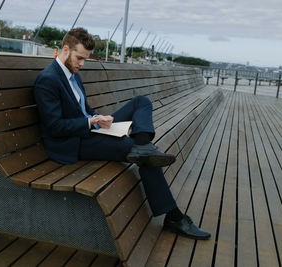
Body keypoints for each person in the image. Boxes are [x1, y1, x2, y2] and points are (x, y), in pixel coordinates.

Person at [34, 28, 210, 240]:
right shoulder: (48, 80)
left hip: (90, 130)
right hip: (71, 143)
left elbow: (84, 110)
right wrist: (91, 122)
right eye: (79, 58)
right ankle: (173, 216)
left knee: (141, 102)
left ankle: (144, 144)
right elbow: (54, 126)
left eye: (84, 59)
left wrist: (100, 118)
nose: (82, 64)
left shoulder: (74, 76)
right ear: (65, 49)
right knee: (137, 152)